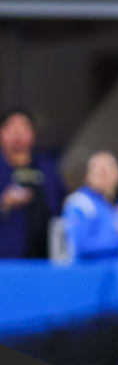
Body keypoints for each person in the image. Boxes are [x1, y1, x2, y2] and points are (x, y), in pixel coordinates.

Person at [0, 107, 65, 258]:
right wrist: (4, 203)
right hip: (6, 258)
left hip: (46, 255)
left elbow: (62, 200)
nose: (17, 132)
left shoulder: (47, 166)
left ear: (33, 134)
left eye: (23, 126)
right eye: (11, 127)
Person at [62, 151, 118, 261]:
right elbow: (80, 244)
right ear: (88, 176)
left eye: (108, 170)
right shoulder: (80, 202)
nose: (104, 176)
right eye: (99, 171)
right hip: (90, 274)